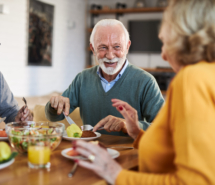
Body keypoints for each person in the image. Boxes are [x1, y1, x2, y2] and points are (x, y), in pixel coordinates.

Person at [73, 0, 215, 184]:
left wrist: (113, 172)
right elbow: (177, 151)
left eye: (165, 42)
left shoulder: (191, 79)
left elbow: (196, 181)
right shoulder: (207, 74)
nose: (163, 55)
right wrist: (136, 133)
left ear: (185, 39)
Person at [45, 19, 164, 136]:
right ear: (93, 49)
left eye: (117, 47)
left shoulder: (146, 81)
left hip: (128, 153)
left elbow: (164, 128)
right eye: (103, 47)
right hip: (89, 152)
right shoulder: (83, 79)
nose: (110, 55)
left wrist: (129, 125)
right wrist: (54, 105)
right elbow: (55, 116)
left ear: (127, 47)